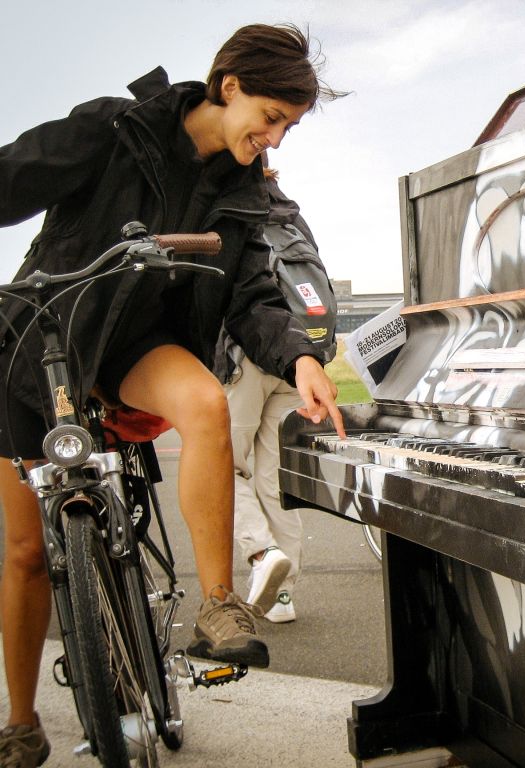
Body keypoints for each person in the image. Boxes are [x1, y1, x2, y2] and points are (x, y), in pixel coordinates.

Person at [0, 24, 346, 766]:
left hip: (133, 349)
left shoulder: (246, 196)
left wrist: (303, 360)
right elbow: (9, 179)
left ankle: (219, 606)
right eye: (273, 116)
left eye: (287, 125)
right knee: (28, 553)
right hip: (39, 341)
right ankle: (23, 720)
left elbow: (255, 298)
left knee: (206, 404)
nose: (276, 138)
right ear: (229, 86)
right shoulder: (114, 131)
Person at [219, 169, 335, 623]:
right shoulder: (291, 217)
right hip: (297, 360)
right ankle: (283, 597)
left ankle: (262, 553)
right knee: (273, 480)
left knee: (222, 464)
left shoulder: (229, 207)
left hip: (245, 356)